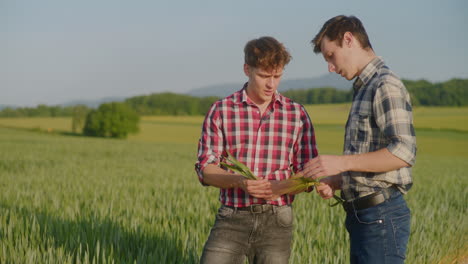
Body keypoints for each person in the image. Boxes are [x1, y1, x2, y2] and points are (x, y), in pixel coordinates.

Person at [304, 15, 417, 263]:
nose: (330, 67)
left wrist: (342, 163)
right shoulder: (364, 87)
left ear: (348, 39)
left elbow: (403, 152)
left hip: (381, 216)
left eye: (330, 56)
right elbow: (370, 161)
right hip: (364, 217)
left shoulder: (384, 84)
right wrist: (337, 180)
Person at [195, 36, 318, 264]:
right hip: (232, 217)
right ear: (247, 69)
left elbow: (310, 175)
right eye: (264, 76)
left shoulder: (297, 114)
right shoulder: (221, 110)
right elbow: (206, 169)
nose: (271, 84)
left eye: (277, 76)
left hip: (277, 220)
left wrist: (278, 188)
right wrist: (239, 181)